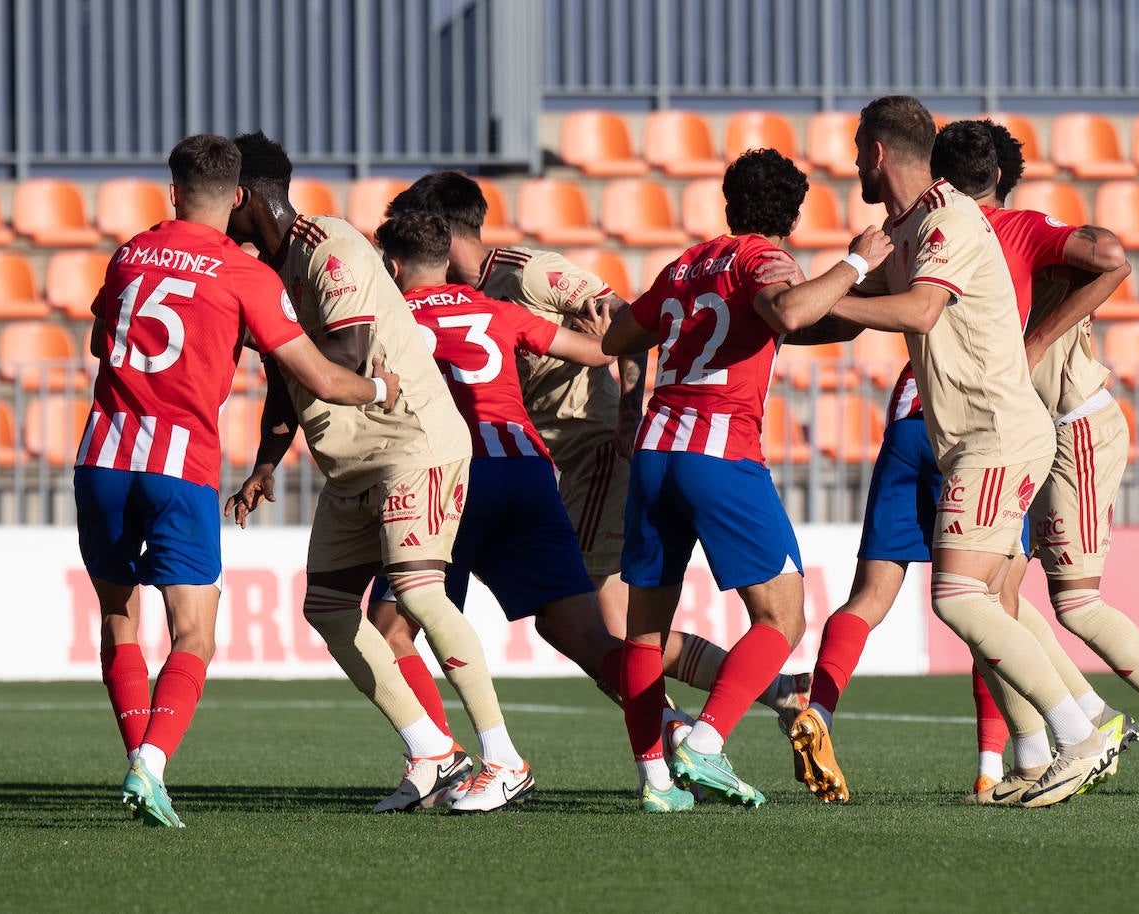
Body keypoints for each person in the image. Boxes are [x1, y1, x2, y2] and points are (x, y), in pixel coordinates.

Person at [773, 96, 1113, 809]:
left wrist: (830, 293)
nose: (852, 162)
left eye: (856, 148)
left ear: (874, 153)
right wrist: (776, 325)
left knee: (961, 597)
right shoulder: (908, 224)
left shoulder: (948, 216)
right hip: (966, 439)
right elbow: (851, 319)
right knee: (983, 599)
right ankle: (1067, 734)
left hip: (996, 431)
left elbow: (919, 310)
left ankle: (1080, 735)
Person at [384, 172, 810, 729]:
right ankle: (764, 691)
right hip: (534, 466)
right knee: (573, 625)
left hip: (595, 448)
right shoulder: (458, 298)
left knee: (599, 625)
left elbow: (627, 319)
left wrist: (630, 411)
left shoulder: (530, 273)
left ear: (440, 233)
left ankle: (679, 729)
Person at [77, 134, 395, 827]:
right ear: (239, 197)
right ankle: (151, 765)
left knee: (117, 615)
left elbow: (105, 343)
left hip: (101, 455)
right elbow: (318, 377)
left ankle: (142, 762)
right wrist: (379, 385)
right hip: (178, 465)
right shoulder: (245, 275)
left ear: (173, 191)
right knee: (193, 633)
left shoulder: (130, 252)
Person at [222, 131, 530, 815]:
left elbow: (349, 353)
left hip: (412, 442)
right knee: (327, 608)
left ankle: (504, 759)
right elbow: (290, 373)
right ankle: (431, 752)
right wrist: (266, 463)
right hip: (353, 460)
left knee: (419, 594)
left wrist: (255, 333)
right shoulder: (267, 270)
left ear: (240, 196)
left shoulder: (328, 247)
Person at [934, 118, 1139, 799]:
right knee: (991, 588)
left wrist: (1036, 343)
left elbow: (1113, 258)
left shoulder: (1009, 229)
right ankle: (1091, 721)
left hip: (1075, 429)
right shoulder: (967, 234)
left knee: (1077, 603)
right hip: (1022, 432)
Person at [602, 147, 892, 813]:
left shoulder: (684, 263)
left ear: (728, 201)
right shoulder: (762, 256)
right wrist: (856, 264)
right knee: (782, 619)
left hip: (654, 449)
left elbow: (619, 337)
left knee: (644, 633)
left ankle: (655, 785)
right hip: (719, 451)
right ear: (792, 214)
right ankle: (705, 742)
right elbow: (787, 312)